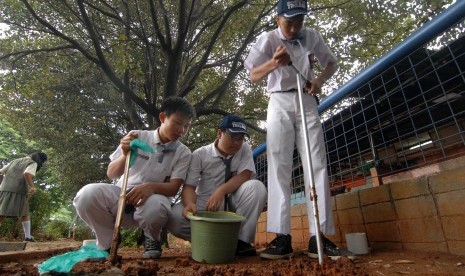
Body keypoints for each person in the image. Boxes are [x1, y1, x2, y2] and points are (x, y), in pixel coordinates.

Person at [244, 0, 349, 260]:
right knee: (279, 163)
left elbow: (331, 63)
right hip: (279, 101)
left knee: (316, 162)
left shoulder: (311, 36)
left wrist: (318, 81)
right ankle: (282, 237)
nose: (294, 29)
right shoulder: (267, 40)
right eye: (289, 23)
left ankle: (318, 236)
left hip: (307, 100)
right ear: (277, 19)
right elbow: (252, 74)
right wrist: (274, 64)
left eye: (299, 22)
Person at [73, 96, 196, 259]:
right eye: (178, 123)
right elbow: (111, 173)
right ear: (162, 117)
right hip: (122, 196)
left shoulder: (183, 152)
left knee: (157, 206)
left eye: (186, 126)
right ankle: (107, 243)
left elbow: (174, 187)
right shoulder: (136, 137)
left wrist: (150, 188)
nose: (181, 130)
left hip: (153, 202)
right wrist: (125, 155)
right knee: (86, 195)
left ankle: (152, 238)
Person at [167, 114, 267, 256]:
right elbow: (189, 186)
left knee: (256, 187)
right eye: (233, 137)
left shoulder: (244, 149)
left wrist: (221, 191)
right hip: (207, 203)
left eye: (241, 138)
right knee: (174, 217)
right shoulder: (200, 155)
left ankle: (241, 242)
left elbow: (245, 175)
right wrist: (189, 203)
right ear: (219, 133)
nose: (238, 143)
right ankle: (207, 239)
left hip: (233, 200)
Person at [0, 151, 48, 242]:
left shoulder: (15, 160)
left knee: (3, 213)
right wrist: (32, 186)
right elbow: (26, 173)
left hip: (3, 189)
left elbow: (1, 172)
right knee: (24, 213)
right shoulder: (33, 163)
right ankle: (27, 237)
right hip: (18, 191)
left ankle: (28, 237)